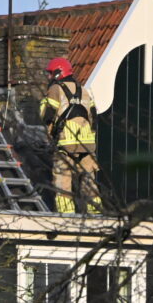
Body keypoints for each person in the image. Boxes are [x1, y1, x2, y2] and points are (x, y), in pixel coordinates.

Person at [39, 57, 102, 214]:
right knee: (90, 184)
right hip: (87, 146)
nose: (49, 77)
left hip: (65, 144)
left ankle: (66, 217)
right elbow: (94, 118)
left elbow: (47, 115)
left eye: (51, 73)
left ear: (59, 73)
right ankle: (97, 216)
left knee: (63, 183)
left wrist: (42, 105)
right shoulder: (85, 91)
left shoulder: (56, 89)